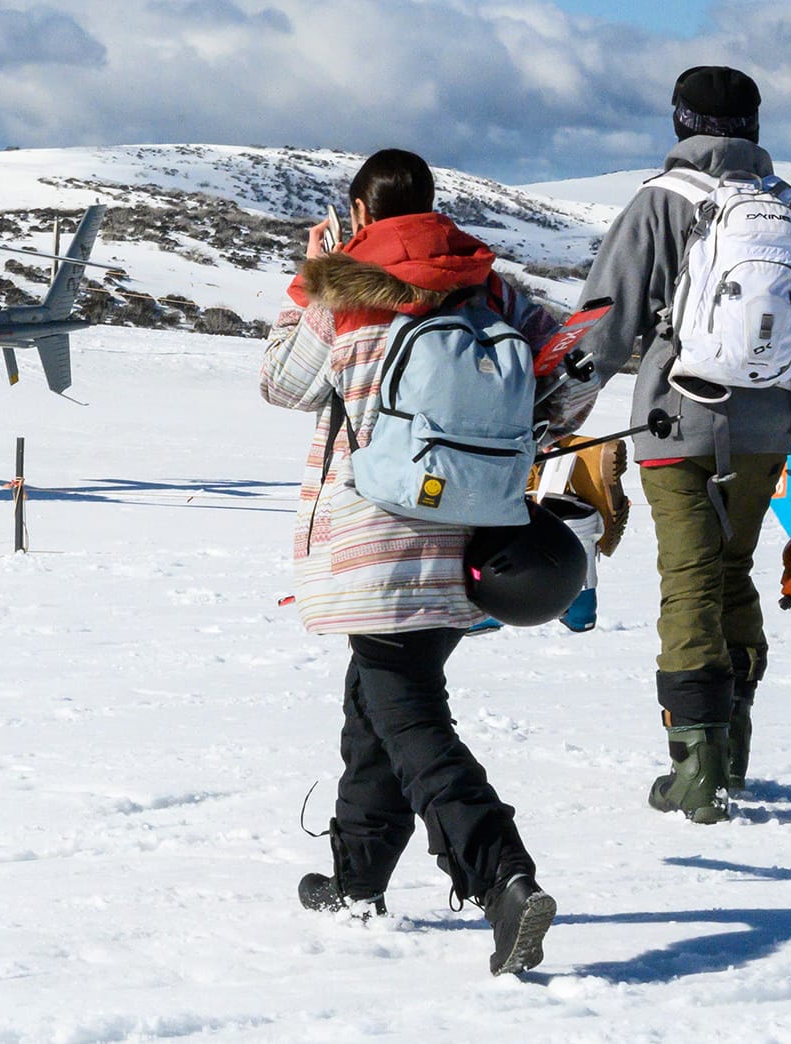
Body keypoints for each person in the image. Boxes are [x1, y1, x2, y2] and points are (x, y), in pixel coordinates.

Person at [260, 148, 573, 977]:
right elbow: (566, 375)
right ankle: (357, 882)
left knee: (410, 722)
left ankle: (502, 875)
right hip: (475, 539)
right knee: (377, 710)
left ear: (361, 212)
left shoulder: (346, 282)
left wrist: (310, 280)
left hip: (380, 534)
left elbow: (283, 385)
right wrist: (498, 453)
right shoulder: (491, 286)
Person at [573, 66, 791, 822]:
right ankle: (733, 746)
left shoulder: (660, 204)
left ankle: (695, 765)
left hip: (678, 422)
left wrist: (551, 414)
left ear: (681, 122)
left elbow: (602, 330)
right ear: (755, 129)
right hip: (772, 425)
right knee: (731, 571)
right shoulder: (790, 214)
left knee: (690, 579)